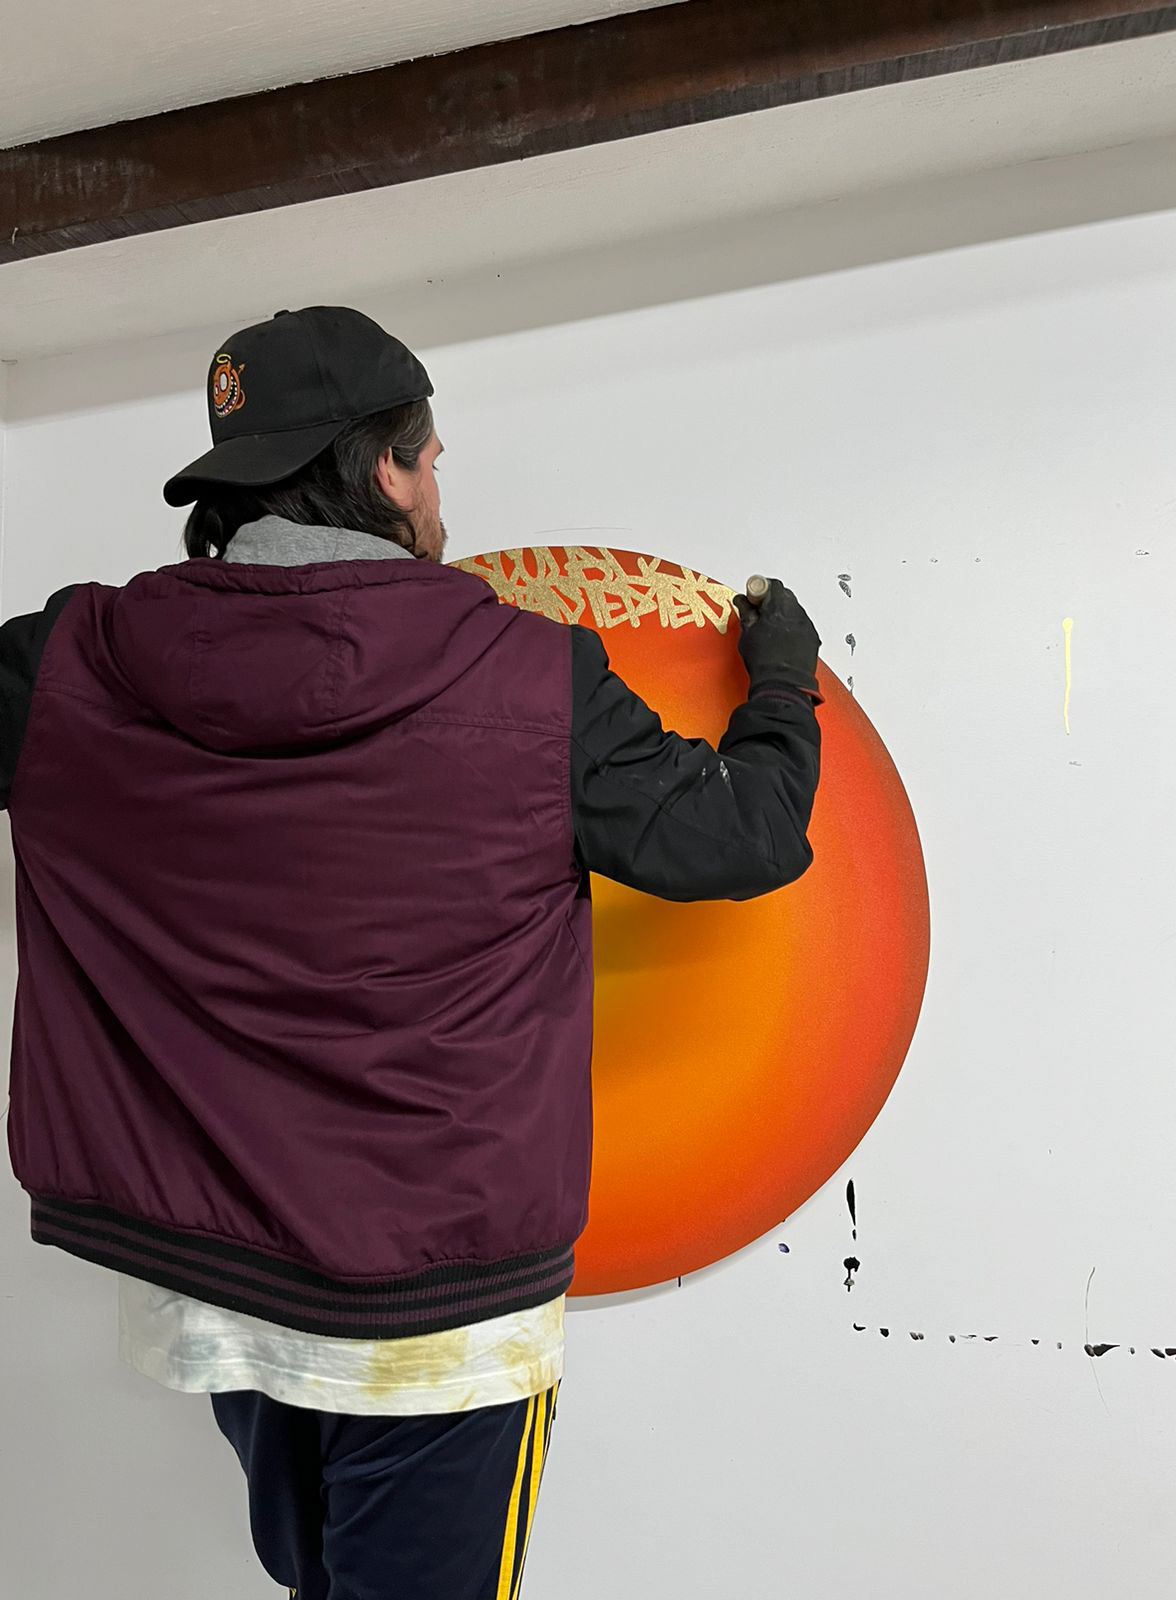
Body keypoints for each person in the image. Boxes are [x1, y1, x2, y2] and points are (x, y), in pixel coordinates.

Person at [0, 306, 824, 1599]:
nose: (441, 489)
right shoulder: (534, 679)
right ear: (385, 470)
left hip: (215, 1291)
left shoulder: (64, 663)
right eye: (432, 459)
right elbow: (748, 834)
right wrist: (782, 680)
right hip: (440, 1324)